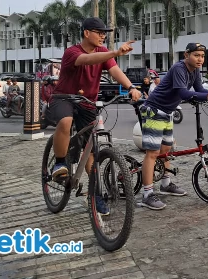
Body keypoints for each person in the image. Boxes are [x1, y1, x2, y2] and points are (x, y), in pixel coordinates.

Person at [48, 17, 142, 215]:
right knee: (66, 121)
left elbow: (115, 70)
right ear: (86, 33)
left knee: (91, 147)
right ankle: (59, 161)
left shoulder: (103, 53)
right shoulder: (72, 52)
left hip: (87, 102)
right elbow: (86, 60)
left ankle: (95, 194)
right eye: (99, 32)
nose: (102, 36)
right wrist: (115, 52)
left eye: (104, 33)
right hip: (63, 98)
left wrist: (131, 87)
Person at [139, 42, 208, 210]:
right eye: (196, 55)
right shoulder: (179, 68)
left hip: (168, 112)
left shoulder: (195, 71)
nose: (200, 59)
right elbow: (183, 93)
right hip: (153, 110)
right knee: (153, 153)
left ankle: (165, 184)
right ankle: (147, 194)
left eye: (202, 56)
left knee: (165, 150)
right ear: (187, 55)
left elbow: (199, 89)